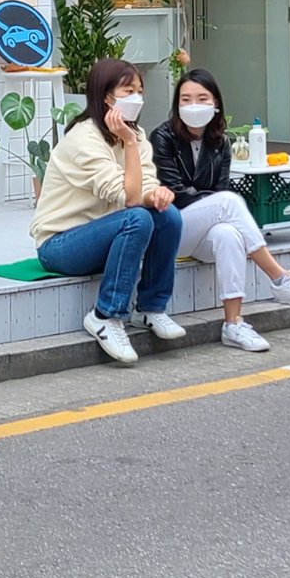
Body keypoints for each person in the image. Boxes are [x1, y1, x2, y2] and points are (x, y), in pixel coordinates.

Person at [149, 69, 290, 353]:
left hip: (202, 233)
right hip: (171, 230)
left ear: (216, 104)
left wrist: (212, 202)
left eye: (202, 98)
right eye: (185, 99)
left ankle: (233, 324)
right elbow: (176, 194)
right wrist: (213, 201)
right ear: (177, 105)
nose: (193, 105)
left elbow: (219, 189)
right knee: (228, 203)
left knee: (228, 233)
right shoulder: (162, 137)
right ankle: (281, 278)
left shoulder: (220, 142)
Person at [31, 57, 185, 364]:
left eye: (139, 91)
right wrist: (129, 144)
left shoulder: (134, 136)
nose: (136, 98)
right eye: (127, 91)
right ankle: (105, 315)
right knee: (137, 217)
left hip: (105, 234)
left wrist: (158, 194)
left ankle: (151, 308)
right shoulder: (83, 138)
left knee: (168, 216)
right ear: (106, 97)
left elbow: (143, 187)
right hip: (60, 245)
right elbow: (128, 198)